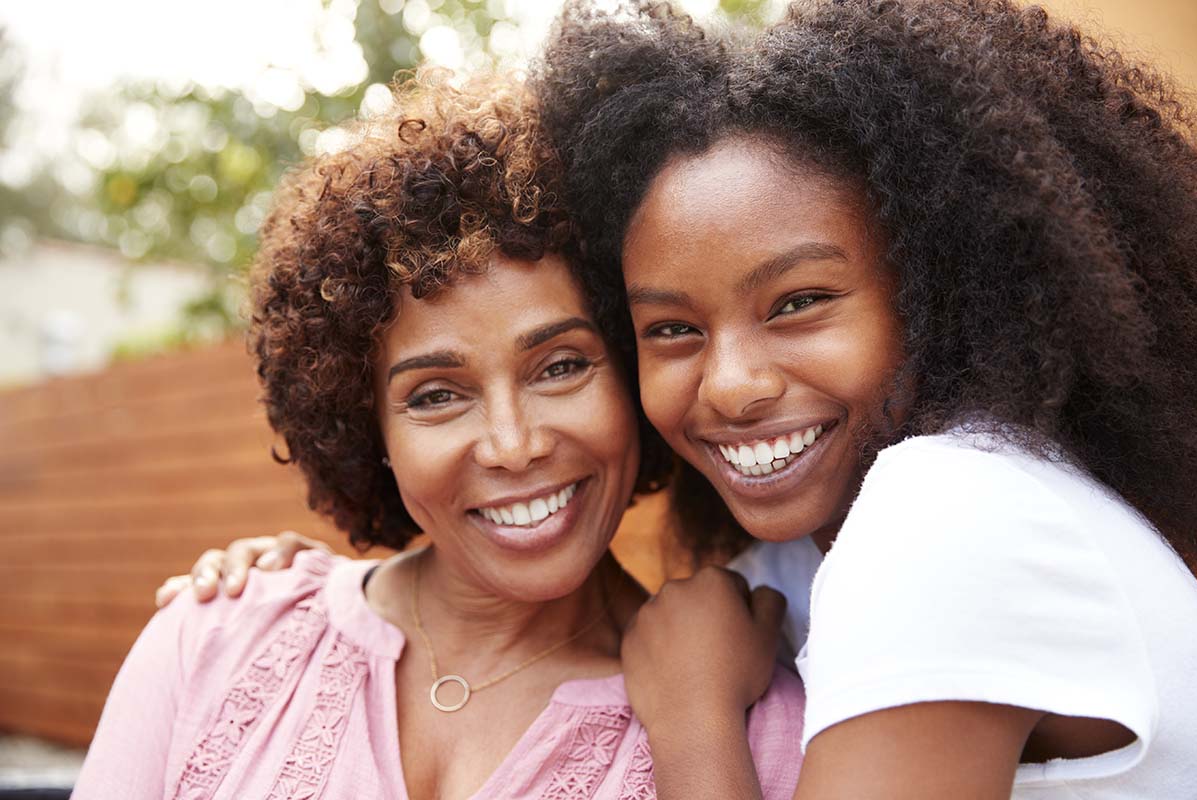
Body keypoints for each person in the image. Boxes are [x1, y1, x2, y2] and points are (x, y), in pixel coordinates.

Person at [159, 0, 1197, 796]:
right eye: (672, 329)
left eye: (798, 301)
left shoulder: (952, 512)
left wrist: (693, 722)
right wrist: (289, 594)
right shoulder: (803, 565)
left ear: (937, 293)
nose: (732, 383)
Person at [74, 72, 805, 799]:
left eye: (559, 367)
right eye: (435, 395)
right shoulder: (215, 641)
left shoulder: (745, 727)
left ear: (632, 372)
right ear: (369, 429)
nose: (513, 445)